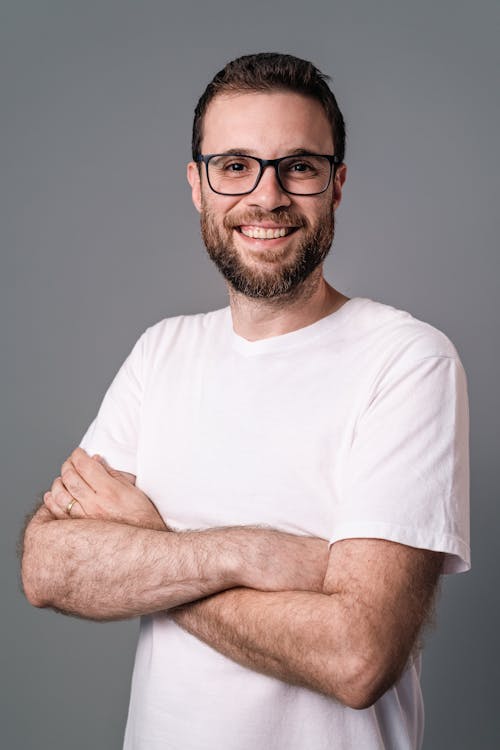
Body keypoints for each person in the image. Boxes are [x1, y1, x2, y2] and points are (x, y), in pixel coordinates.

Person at [21, 52, 470, 750]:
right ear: (197, 186)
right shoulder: (161, 352)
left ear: (337, 185)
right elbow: (47, 566)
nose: (266, 196)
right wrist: (250, 553)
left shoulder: (406, 361)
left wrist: (155, 550)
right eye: (235, 165)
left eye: (299, 165)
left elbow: (357, 657)